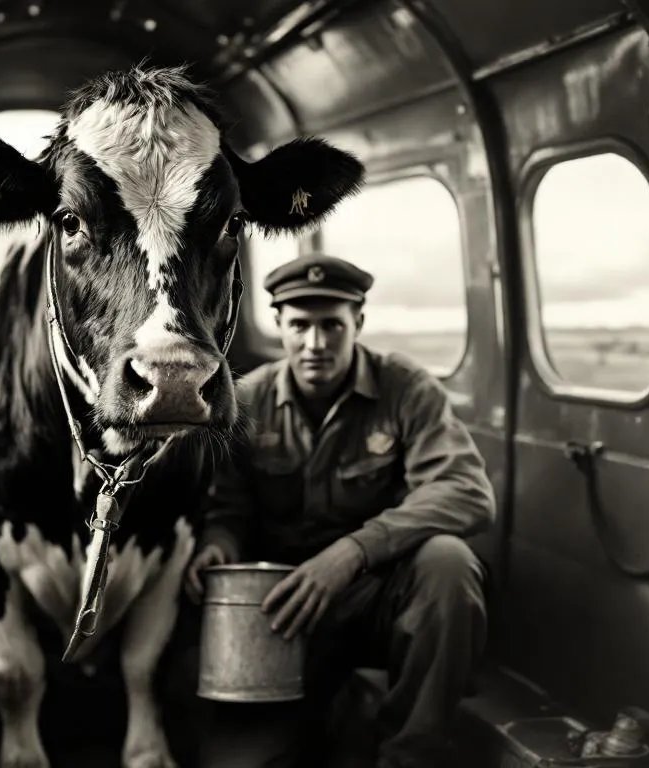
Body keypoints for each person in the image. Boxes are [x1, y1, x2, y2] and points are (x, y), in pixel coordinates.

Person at [182, 254, 496, 768]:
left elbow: (465, 490)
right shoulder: (246, 401)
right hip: (281, 608)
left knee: (448, 562)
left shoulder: (405, 389)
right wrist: (220, 543)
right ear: (279, 325)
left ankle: (410, 756)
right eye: (300, 326)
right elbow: (229, 507)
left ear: (358, 323)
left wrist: (352, 552)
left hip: (374, 595)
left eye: (332, 325)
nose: (315, 343)